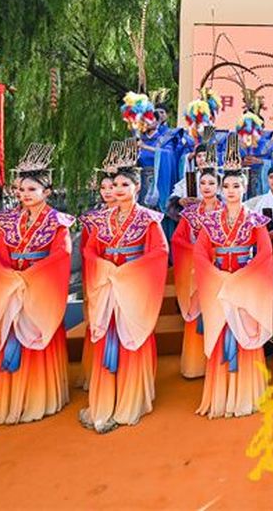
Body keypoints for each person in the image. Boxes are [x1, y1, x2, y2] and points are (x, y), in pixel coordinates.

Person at [79, 140, 168, 433]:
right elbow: (90, 251)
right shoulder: (100, 219)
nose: (117, 190)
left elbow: (159, 253)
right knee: (107, 337)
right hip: (107, 286)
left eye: (124, 185)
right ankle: (105, 401)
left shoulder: (149, 219)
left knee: (132, 339)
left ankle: (131, 401)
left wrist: (129, 272)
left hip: (133, 287)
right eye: (114, 185)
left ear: (137, 187)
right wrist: (104, 268)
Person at [0, 144, 73, 424]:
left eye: (32, 189)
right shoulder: (8, 221)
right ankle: (13, 399)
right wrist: (7, 274)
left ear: (47, 192)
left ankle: (39, 397)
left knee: (37, 337)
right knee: (13, 334)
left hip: (40, 287)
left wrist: (32, 276)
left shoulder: (58, 222)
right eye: (21, 190)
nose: (25, 194)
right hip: (12, 285)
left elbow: (61, 254)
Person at [193, 133, 273, 418]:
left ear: (245, 187)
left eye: (236, 185)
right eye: (226, 186)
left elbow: (265, 254)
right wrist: (217, 275)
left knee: (245, 334)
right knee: (221, 333)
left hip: (245, 285)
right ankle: (222, 395)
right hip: (218, 284)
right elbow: (200, 253)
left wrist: (243, 278)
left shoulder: (255, 219)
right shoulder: (209, 221)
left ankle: (245, 395)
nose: (230, 191)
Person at [171, 133, 222, 380]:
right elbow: (178, 239)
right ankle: (197, 364)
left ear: (219, 186)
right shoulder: (190, 214)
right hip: (195, 270)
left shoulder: (227, 211)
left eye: (211, 183)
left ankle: (219, 364)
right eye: (203, 184)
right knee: (198, 314)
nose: (207, 187)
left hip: (220, 269)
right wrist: (197, 254)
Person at [76, 163, 119, 390]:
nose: (108, 191)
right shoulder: (92, 219)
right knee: (97, 321)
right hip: (98, 277)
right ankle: (94, 373)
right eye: (103, 187)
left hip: (125, 277)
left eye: (112, 186)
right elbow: (86, 250)